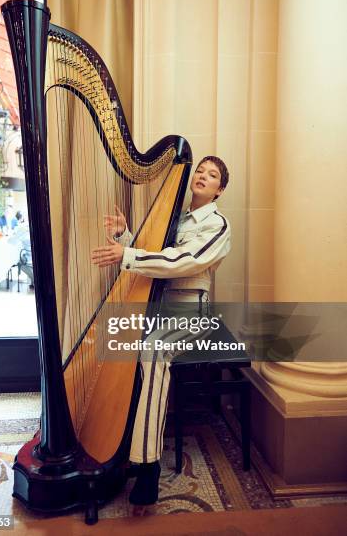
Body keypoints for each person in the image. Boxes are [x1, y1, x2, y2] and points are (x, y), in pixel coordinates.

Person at [91, 156, 231, 505]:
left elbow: (184, 262)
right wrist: (126, 235)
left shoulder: (218, 225)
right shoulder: (176, 216)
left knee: (153, 351)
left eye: (212, 175)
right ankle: (116, 441)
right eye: (200, 169)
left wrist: (127, 254)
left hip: (191, 312)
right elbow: (153, 255)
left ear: (219, 191)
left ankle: (147, 465)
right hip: (159, 309)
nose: (202, 175)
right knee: (111, 341)